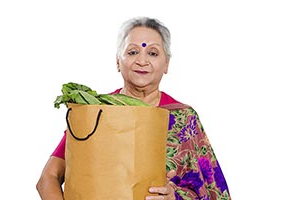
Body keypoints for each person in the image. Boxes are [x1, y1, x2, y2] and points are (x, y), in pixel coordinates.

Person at [36, 16, 231, 200]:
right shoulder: (97, 112)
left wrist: (175, 195)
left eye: (153, 53)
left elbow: (212, 189)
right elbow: (48, 178)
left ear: (167, 64)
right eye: (132, 52)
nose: (142, 61)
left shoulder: (183, 117)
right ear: (118, 62)